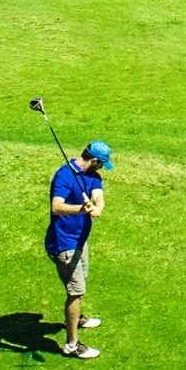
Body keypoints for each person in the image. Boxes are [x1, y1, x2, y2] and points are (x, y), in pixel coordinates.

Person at [45, 141, 112, 358]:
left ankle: (77, 318)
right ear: (94, 160)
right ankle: (72, 345)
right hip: (64, 243)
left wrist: (97, 207)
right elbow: (56, 207)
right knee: (76, 292)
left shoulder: (93, 176)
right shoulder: (64, 176)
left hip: (80, 241)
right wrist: (80, 209)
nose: (103, 167)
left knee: (80, 282)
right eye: (102, 163)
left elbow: (98, 196)